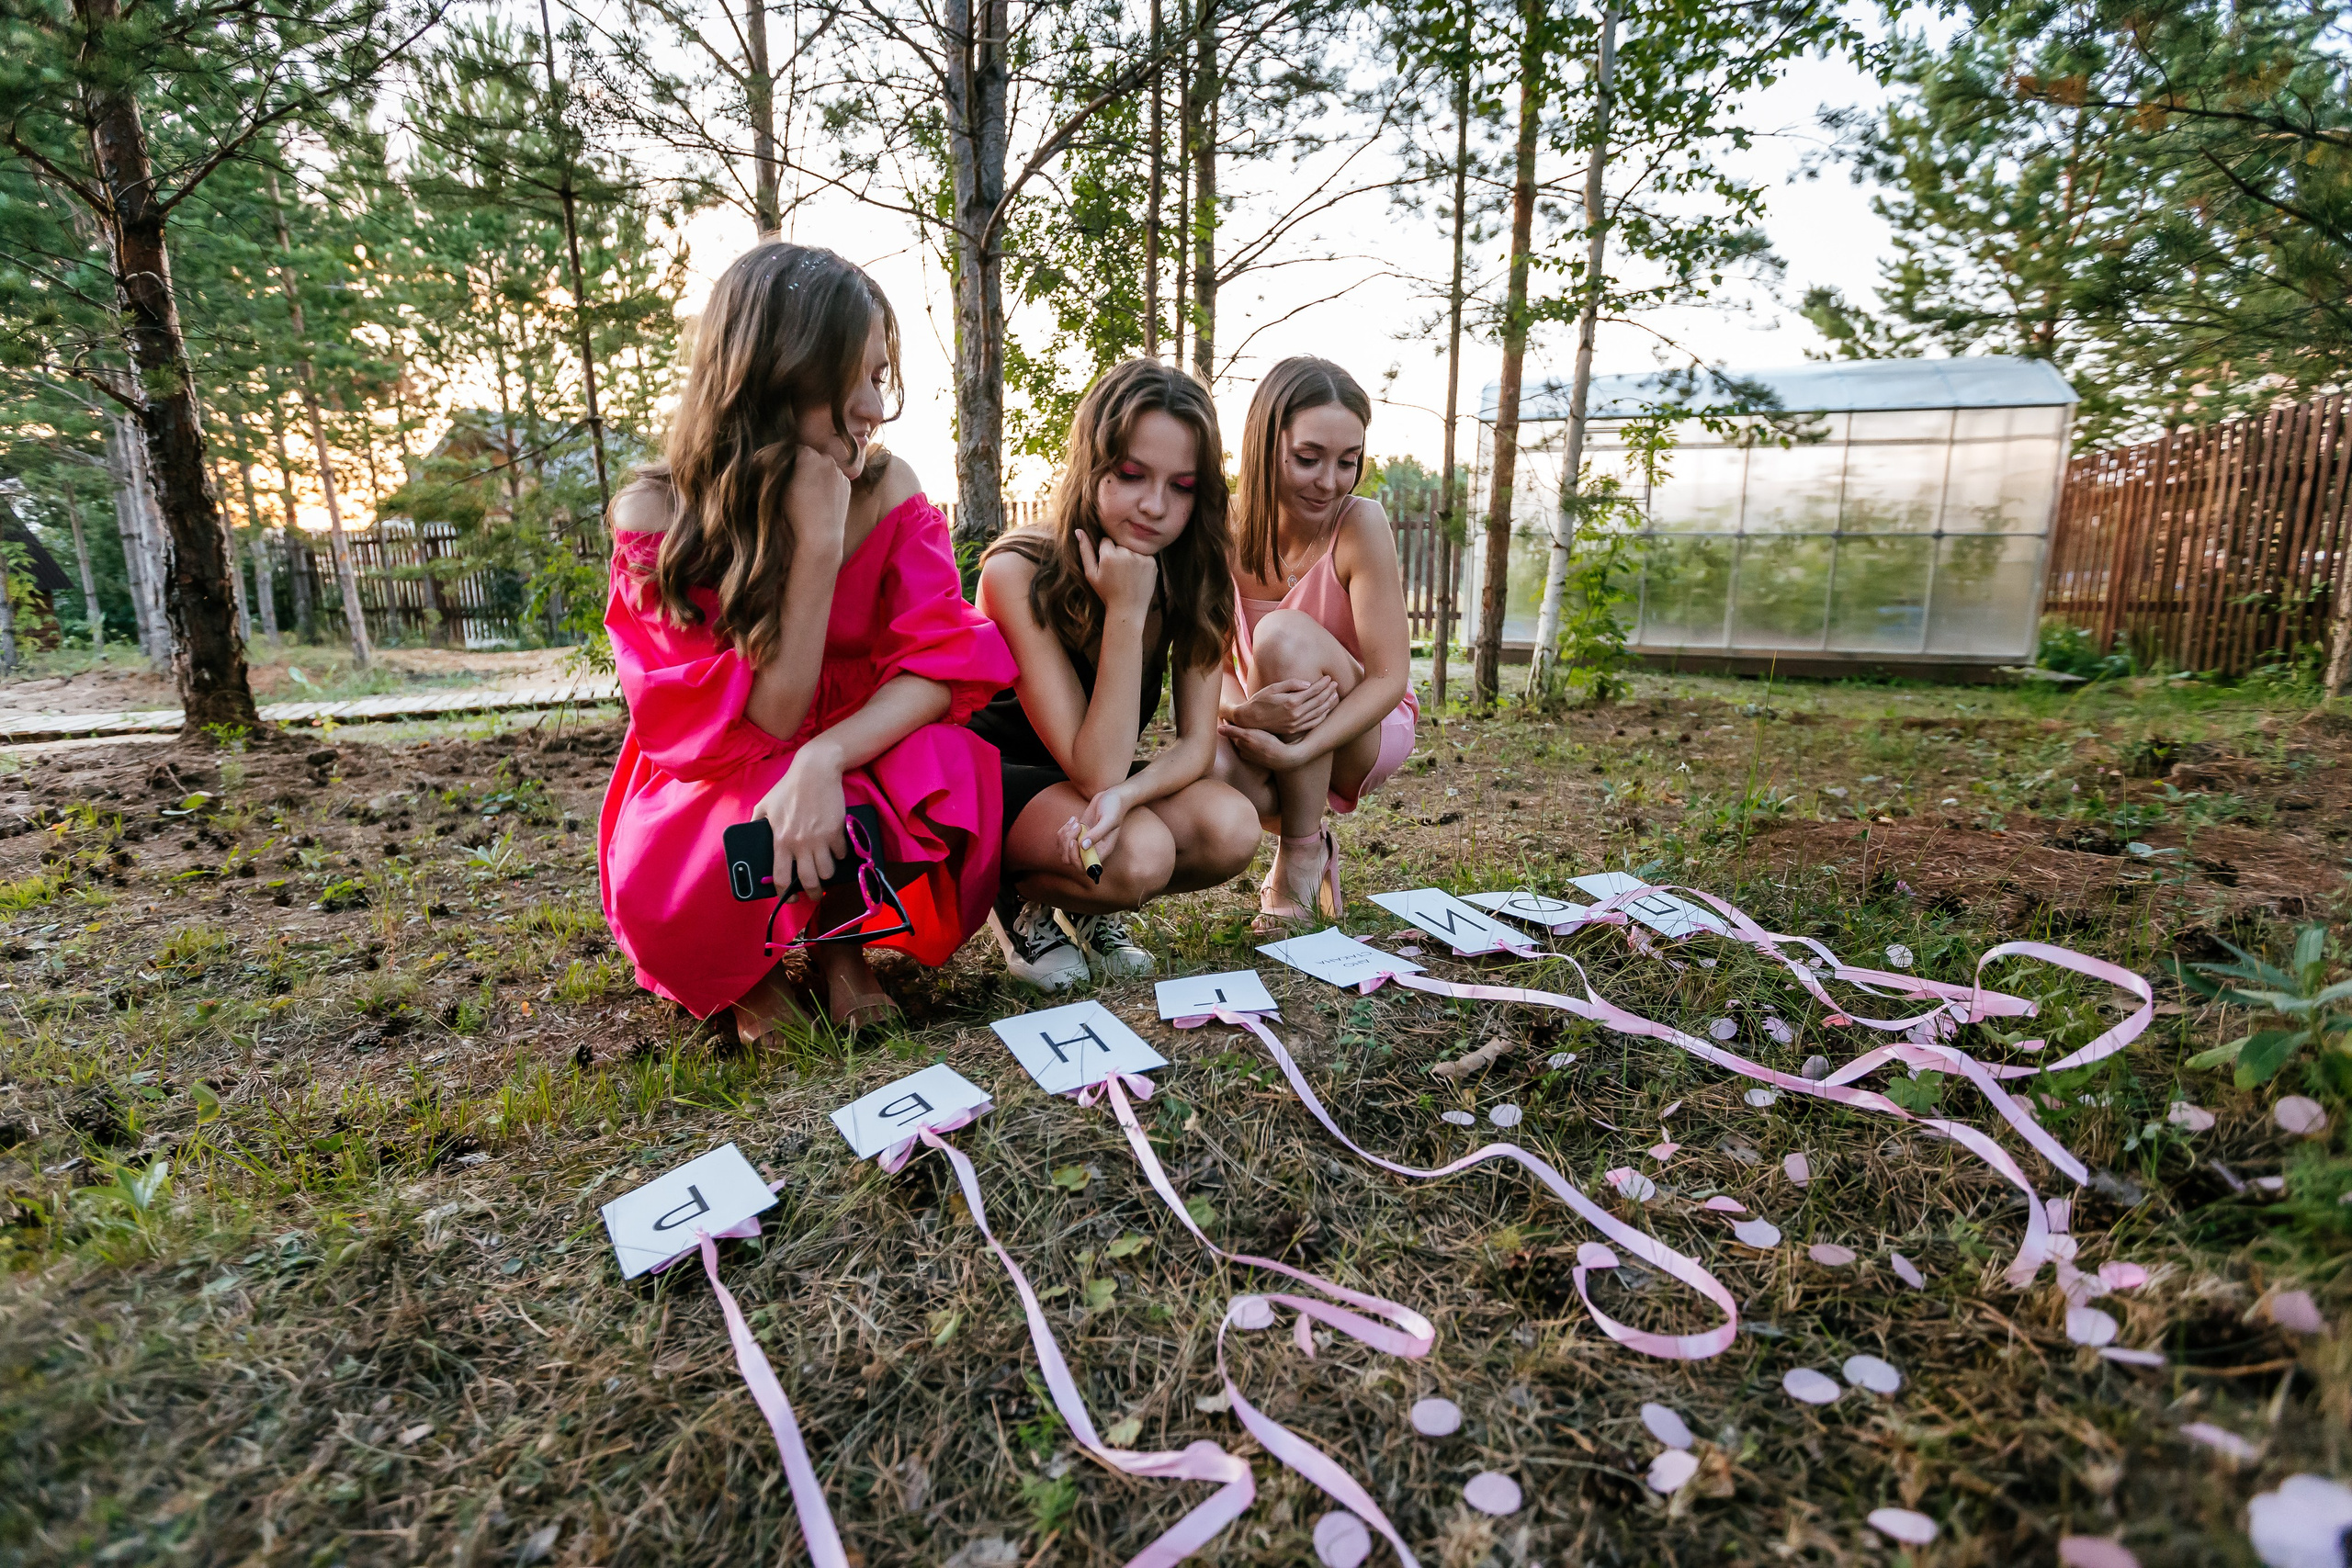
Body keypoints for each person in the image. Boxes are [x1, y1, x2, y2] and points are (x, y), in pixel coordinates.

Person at [598, 242, 1017, 1038]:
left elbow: (937, 671)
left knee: (943, 768)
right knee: (728, 833)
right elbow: (768, 722)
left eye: (879, 375)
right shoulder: (657, 517)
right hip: (715, 780)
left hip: (846, 756)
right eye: (854, 379)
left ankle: (838, 948)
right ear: (779, 373)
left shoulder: (891, 488)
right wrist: (817, 547)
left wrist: (826, 757)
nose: (874, 407)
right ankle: (745, 972)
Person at [968, 359, 1261, 989]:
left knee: (1232, 826)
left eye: (1181, 485)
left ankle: (1083, 897)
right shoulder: (1015, 572)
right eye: (1131, 474)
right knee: (1141, 853)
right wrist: (1127, 609)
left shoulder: (1195, 572)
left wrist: (1128, 796)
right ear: (1092, 465)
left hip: (1085, 782)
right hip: (995, 782)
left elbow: (1195, 745)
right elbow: (1096, 767)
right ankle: (1014, 895)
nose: (1154, 505)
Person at [1216, 356, 1417, 933]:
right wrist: (1241, 711)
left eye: (1347, 462)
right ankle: (1304, 828)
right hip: (1271, 715)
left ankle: (1301, 851)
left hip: (1364, 724)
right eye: (1308, 459)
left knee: (1283, 636)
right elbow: (1207, 668)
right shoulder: (1218, 533)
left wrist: (1301, 752)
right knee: (1209, 761)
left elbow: (1387, 678)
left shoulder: (1361, 523)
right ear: (1263, 448)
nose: (1330, 481)